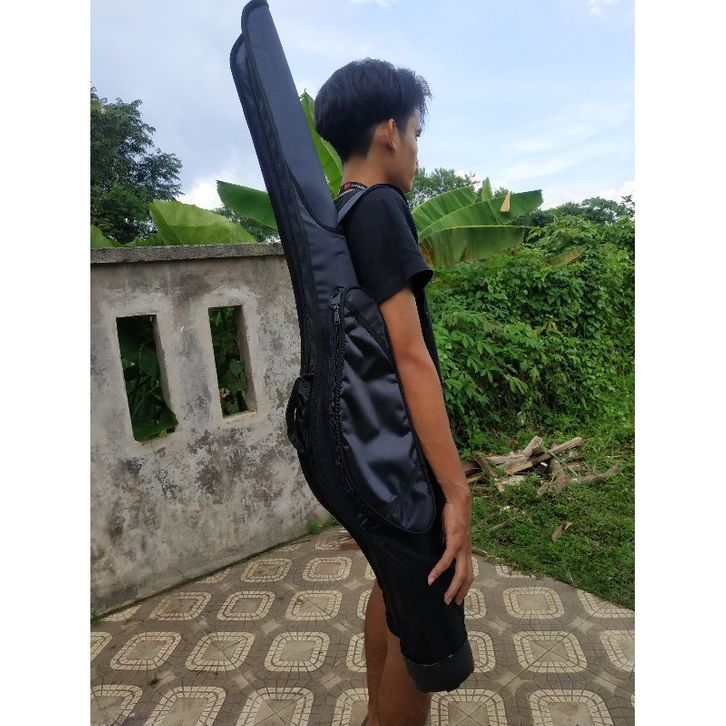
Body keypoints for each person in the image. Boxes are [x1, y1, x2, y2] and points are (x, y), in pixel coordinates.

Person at [315, 59, 475, 726]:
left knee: (395, 584)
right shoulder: (382, 208)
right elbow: (410, 357)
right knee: (427, 611)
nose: (415, 149)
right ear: (388, 131)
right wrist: (457, 492)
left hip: (359, 452)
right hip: (397, 458)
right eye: (415, 132)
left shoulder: (341, 211)